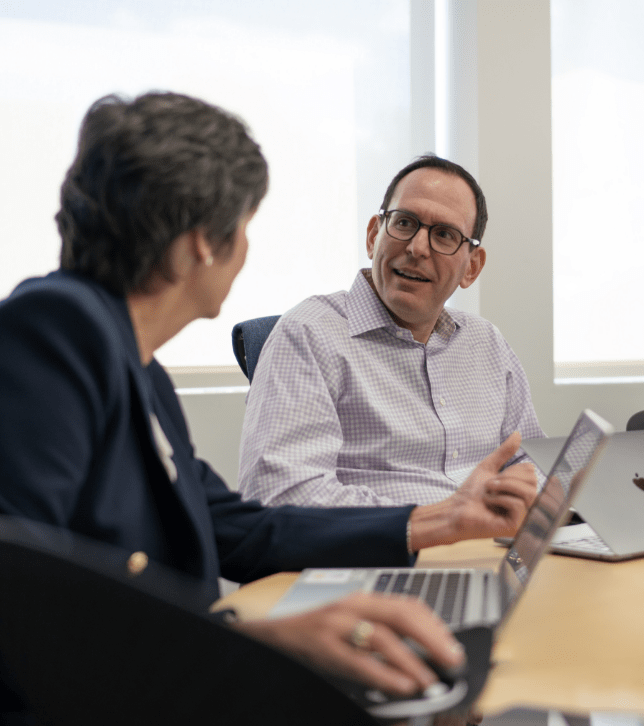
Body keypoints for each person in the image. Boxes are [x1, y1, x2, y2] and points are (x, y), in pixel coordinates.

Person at [0, 91, 536, 721]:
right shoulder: (57, 328)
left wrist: (439, 521)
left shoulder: (137, 370)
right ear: (205, 241)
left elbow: (239, 527)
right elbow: (22, 593)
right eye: (246, 226)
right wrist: (255, 645)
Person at [238, 155, 545, 508]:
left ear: (471, 267)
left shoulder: (487, 343)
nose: (416, 248)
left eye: (444, 235)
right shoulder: (308, 335)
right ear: (373, 236)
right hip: (382, 555)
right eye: (404, 223)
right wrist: (435, 520)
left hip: (491, 550)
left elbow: (530, 466)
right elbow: (279, 493)